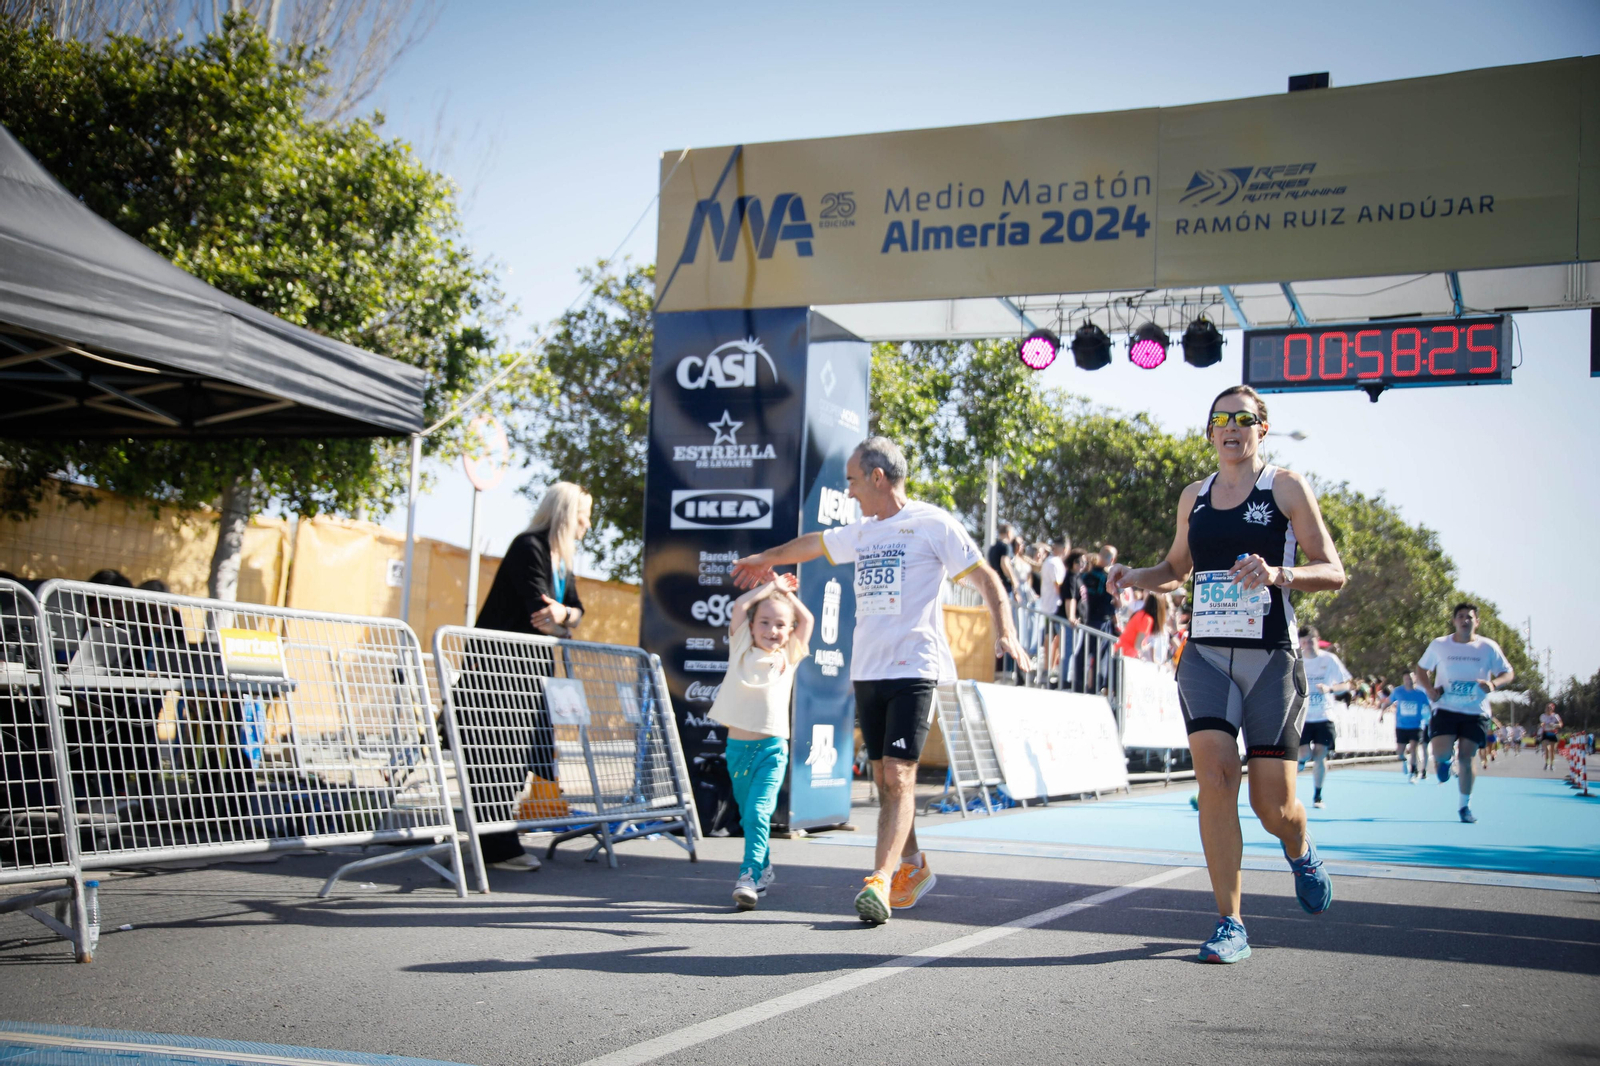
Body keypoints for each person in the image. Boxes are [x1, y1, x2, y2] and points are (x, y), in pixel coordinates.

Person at [731, 436, 1029, 925]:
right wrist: (769, 557)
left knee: (899, 775)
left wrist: (1008, 632)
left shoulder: (933, 523)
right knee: (885, 776)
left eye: (851, 480)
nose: (847, 492)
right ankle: (913, 864)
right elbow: (811, 545)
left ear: (877, 477)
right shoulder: (862, 531)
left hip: (915, 666)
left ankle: (879, 881)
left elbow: (986, 579)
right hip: (867, 670)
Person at [1108, 383, 1346, 964]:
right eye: (1222, 419)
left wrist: (1279, 574)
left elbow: (1333, 570)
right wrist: (1133, 574)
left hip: (1271, 661)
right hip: (1208, 657)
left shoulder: (1286, 488)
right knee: (1215, 780)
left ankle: (1300, 849)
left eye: (1245, 418)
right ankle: (1230, 922)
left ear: (1262, 428)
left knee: (1274, 807)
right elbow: (1175, 567)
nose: (1233, 427)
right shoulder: (1196, 495)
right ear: (1211, 431)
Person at [458, 482, 593, 871]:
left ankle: (495, 842)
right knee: (495, 758)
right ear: (568, 513)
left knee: (518, 759)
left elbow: (574, 612)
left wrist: (564, 617)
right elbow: (538, 611)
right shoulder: (529, 546)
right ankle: (496, 846)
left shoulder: (562, 561)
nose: (587, 524)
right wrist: (562, 618)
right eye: (584, 514)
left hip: (531, 671)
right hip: (496, 671)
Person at [707, 574, 813, 911]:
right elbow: (740, 605)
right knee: (750, 815)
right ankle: (764, 867)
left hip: (771, 750)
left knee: (757, 811)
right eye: (765, 622)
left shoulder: (790, 655)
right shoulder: (740, 648)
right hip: (738, 753)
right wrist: (769, 588)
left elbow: (807, 619)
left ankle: (749, 875)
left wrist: (786, 594)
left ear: (789, 630)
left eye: (781, 625)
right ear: (751, 627)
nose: (772, 630)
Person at [1415, 603, 1514, 824]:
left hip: (1475, 711)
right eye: (1460, 616)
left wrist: (1493, 684)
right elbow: (1421, 669)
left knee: (1467, 758)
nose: (1465, 620)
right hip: (1446, 707)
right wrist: (1429, 689)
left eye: (1469, 617)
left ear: (1476, 621)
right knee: (1441, 753)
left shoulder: (1488, 647)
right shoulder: (1440, 645)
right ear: (1454, 621)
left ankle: (1464, 806)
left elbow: (1508, 673)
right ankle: (1444, 762)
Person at [1297, 626, 1353, 809]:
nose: (1308, 646)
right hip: (1303, 716)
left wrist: (1330, 689)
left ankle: (1317, 795)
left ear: (1317, 639)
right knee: (1304, 754)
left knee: (1321, 755)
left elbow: (1347, 684)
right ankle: (1302, 761)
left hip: (1325, 715)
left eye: (1310, 641)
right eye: (1304, 642)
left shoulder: (1329, 660)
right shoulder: (1296, 660)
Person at [1389, 670, 1434, 781]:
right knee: (1400, 752)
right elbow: (1388, 702)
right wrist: (1381, 712)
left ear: (1414, 679)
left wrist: (1433, 718)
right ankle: (1404, 761)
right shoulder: (1398, 691)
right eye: (1406, 679)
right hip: (1401, 726)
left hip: (1417, 725)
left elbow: (1429, 706)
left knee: (1414, 748)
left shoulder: (1420, 694)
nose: (1408, 681)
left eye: (1410, 678)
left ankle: (1414, 771)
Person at [1538, 703, 1562, 770]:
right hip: (1546, 733)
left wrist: (1555, 725)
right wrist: (1542, 724)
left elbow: (1560, 724)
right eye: (1547, 708)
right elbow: (1542, 723)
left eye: (1550, 708)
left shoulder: (1555, 716)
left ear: (1552, 709)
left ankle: (1552, 764)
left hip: (1553, 733)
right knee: (1547, 749)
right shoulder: (1543, 716)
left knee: (1552, 750)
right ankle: (1546, 763)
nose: (1548, 710)